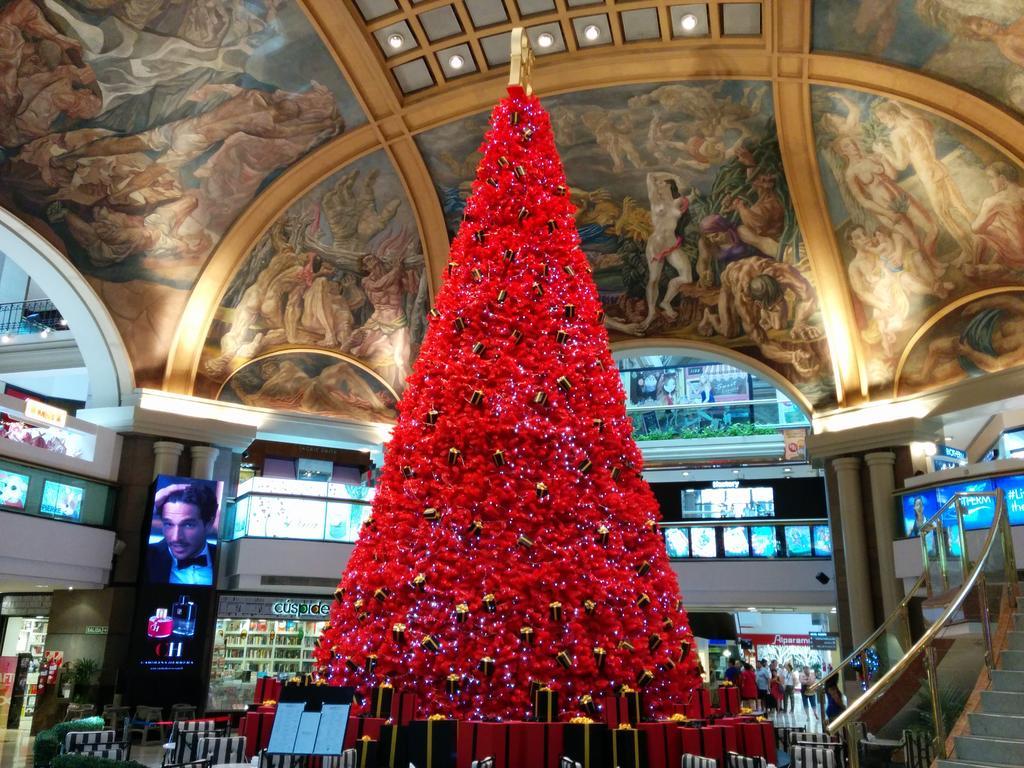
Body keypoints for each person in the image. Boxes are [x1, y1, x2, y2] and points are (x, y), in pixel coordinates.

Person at [146, 482, 219, 585]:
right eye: (169, 524)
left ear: (209, 524)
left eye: (188, 525)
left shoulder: (224, 559)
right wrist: (152, 504)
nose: (176, 538)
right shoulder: (149, 556)